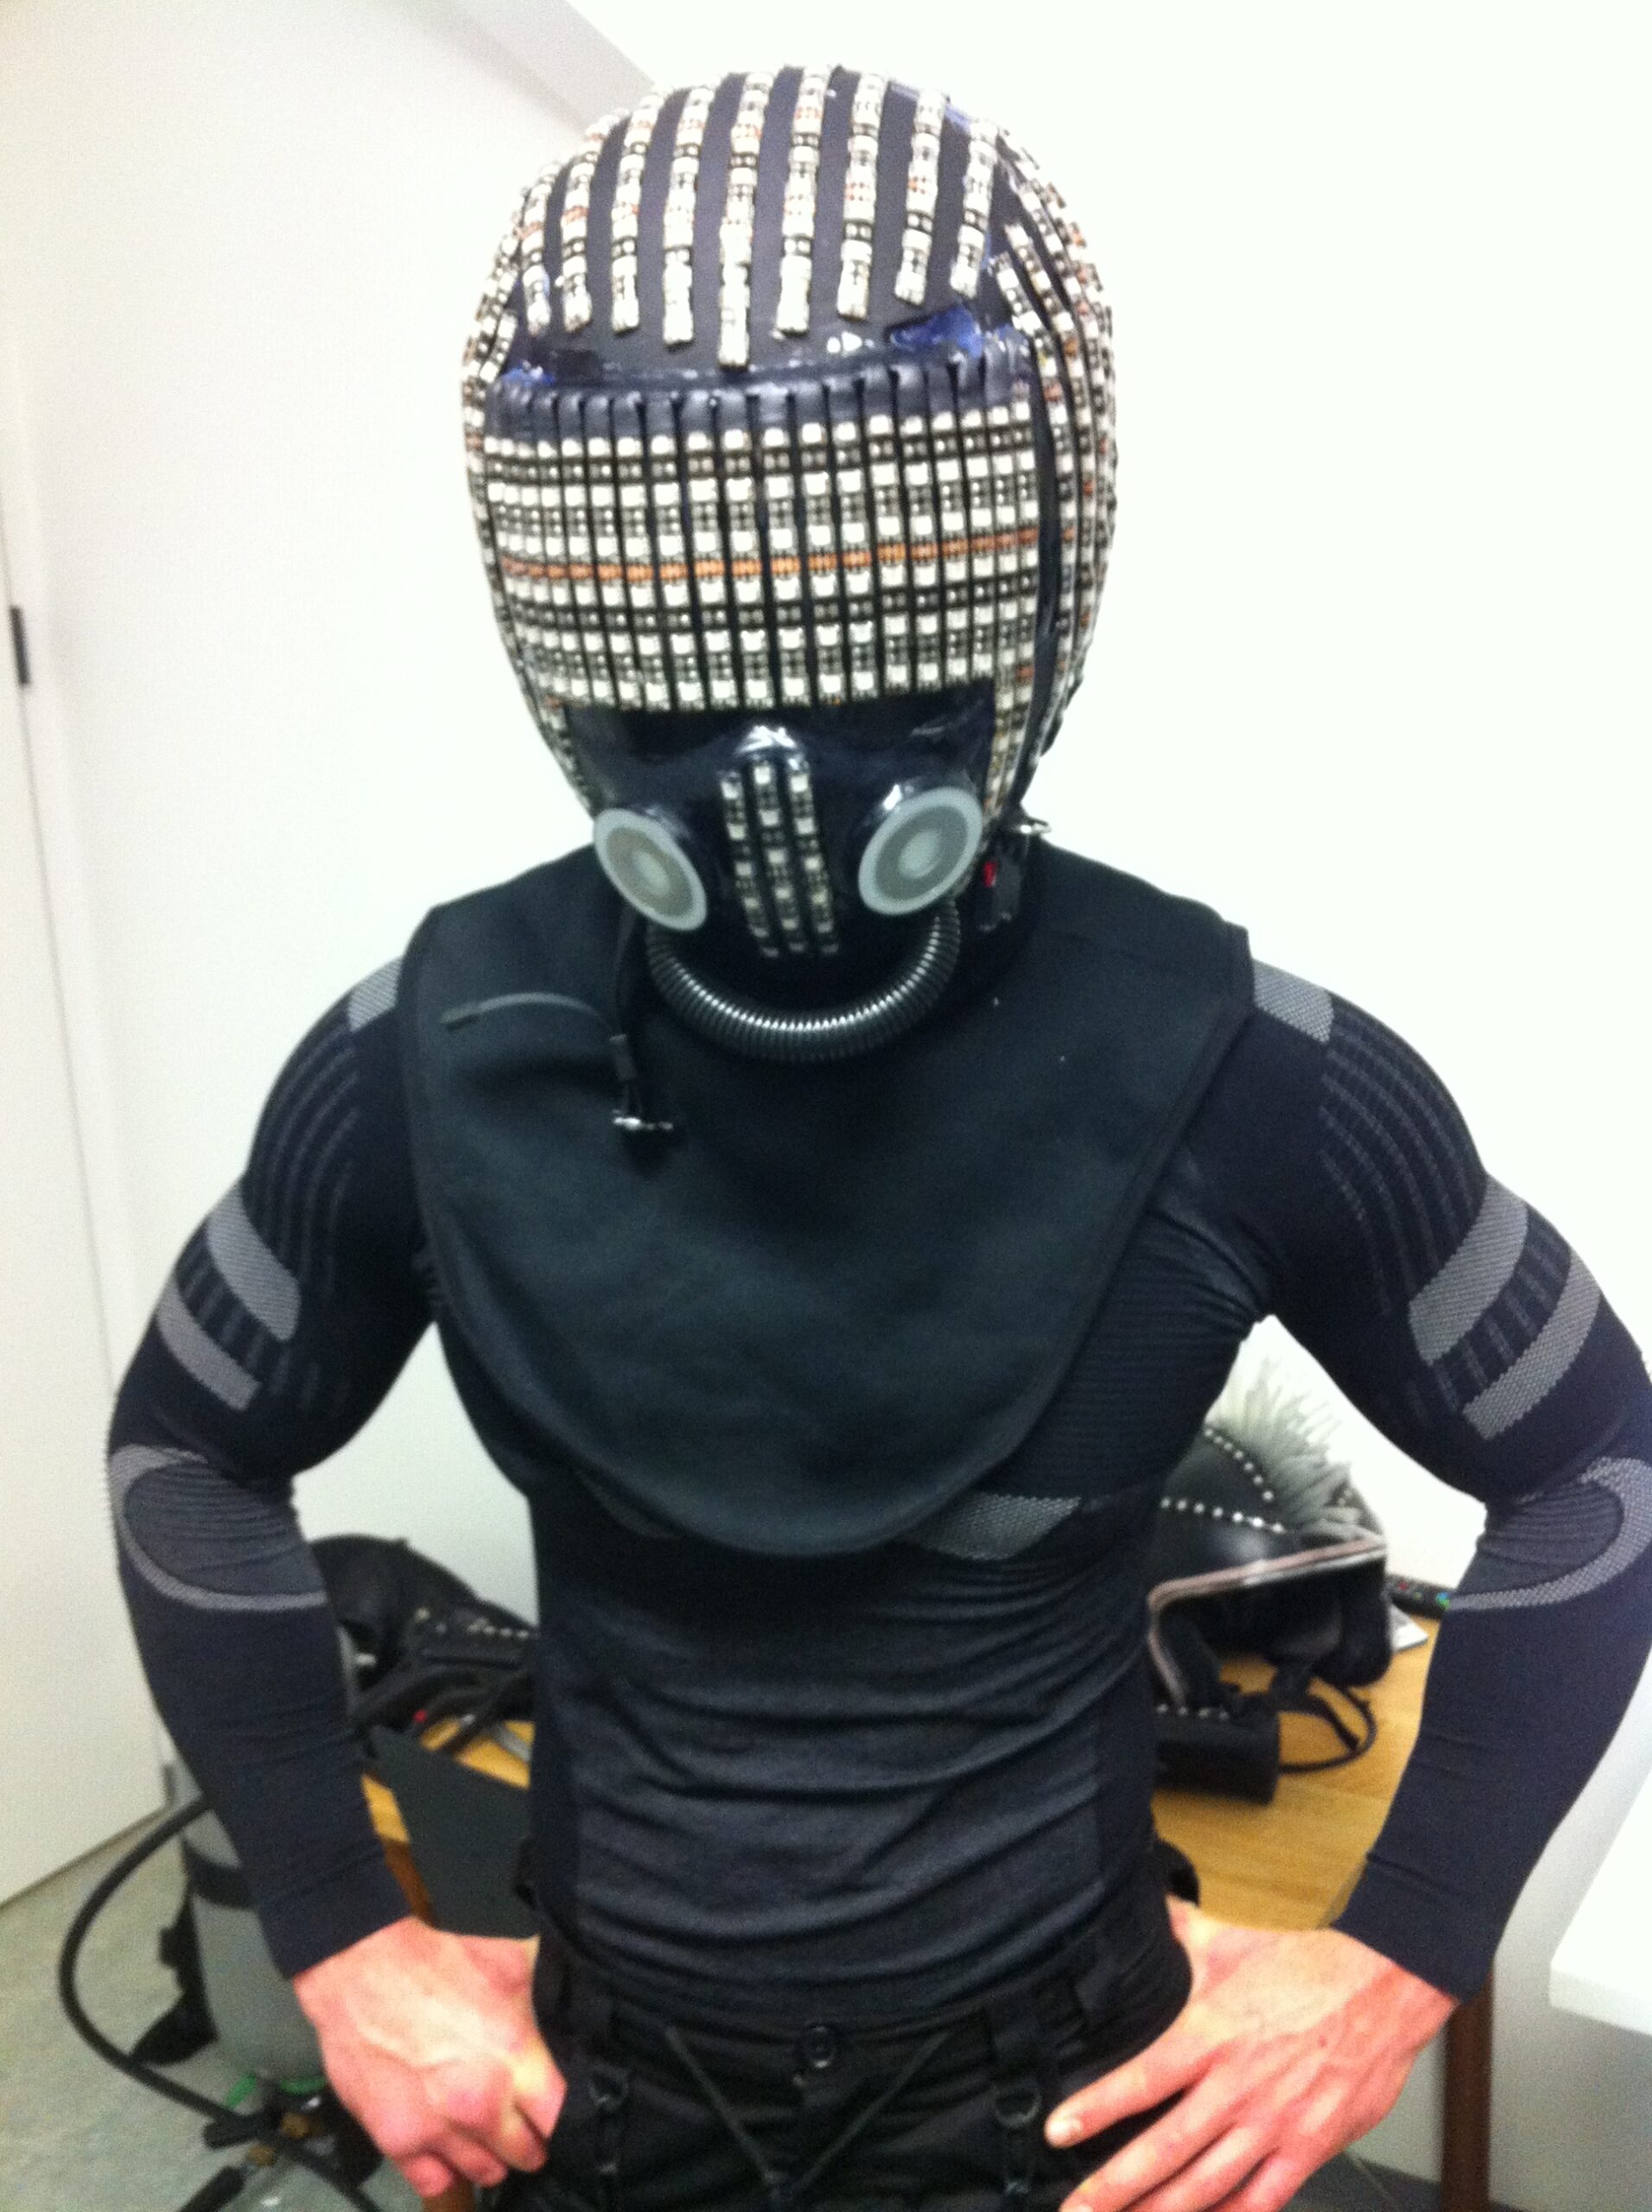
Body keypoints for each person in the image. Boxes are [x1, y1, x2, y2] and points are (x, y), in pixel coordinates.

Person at [107, 66, 1652, 2212]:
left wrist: (1395, 1960)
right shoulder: (430, 1057)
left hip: (1059, 2102)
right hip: (612, 2090)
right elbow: (187, 1448)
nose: (769, 757)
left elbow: (1591, 1461)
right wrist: (343, 1941)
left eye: (850, 598)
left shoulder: (1236, 1073)